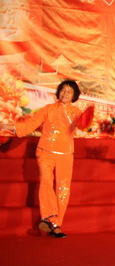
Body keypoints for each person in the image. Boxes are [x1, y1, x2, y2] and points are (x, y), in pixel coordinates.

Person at [13, 80, 91, 238]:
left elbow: (84, 125)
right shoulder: (48, 109)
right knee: (46, 181)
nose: (65, 93)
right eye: (63, 90)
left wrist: (88, 117)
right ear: (58, 92)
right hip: (45, 151)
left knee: (63, 189)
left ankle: (55, 224)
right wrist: (13, 128)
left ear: (74, 96)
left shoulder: (75, 112)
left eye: (69, 92)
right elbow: (32, 122)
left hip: (65, 154)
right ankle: (49, 217)